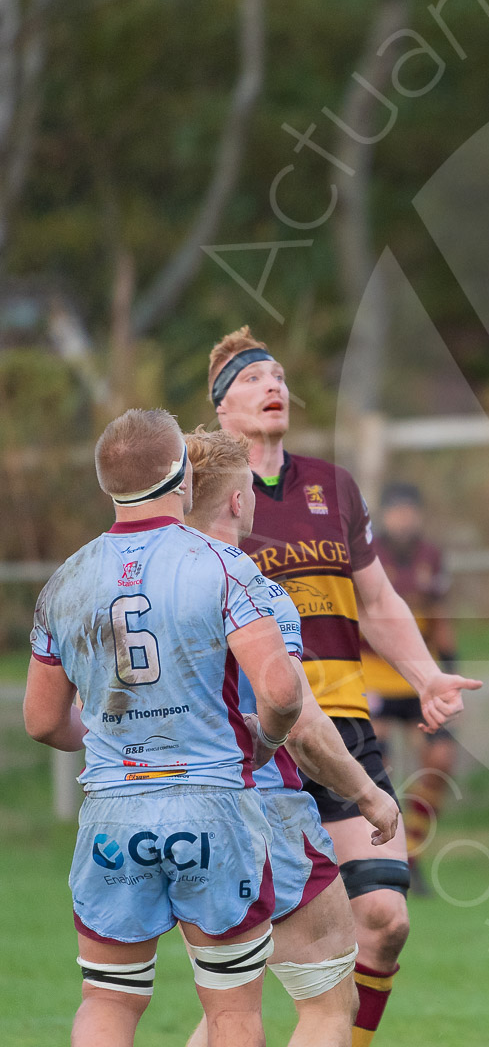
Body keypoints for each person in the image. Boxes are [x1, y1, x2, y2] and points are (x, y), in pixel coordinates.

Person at [207, 329, 482, 1045]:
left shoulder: (333, 485)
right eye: (254, 377)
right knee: (259, 970)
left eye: (279, 374)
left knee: (386, 923)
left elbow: (381, 601)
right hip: (258, 746)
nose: (274, 385)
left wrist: (426, 677)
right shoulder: (203, 496)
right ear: (220, 406)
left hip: (344, 734)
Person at [23, 409, 302, 1047]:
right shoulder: (226, 567)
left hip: (114, 813)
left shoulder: (64, 581)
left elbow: (40, 720)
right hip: (212, 808)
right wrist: (267, 741)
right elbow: (281, 691)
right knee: (231, 1011)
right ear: (181, 476)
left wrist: (105, 737)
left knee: (109, 1001)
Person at [182, 429, 401, 1047]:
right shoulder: (250, 586)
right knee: (329, 1005)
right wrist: (368, 793)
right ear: (235, 502)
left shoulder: (139, 582)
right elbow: (296, 718)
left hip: (162, 813)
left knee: (224, 1007)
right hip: (254, 808)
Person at [360, 482, 459, 891]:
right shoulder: (368, 555)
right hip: (373, 674)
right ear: (384, 516)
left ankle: (413, 850)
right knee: (378, 765)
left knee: (440, 759)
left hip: (419, 675)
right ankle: (384, 854)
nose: (403, 519)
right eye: (396, 511)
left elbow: (439, 616)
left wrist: (451, 667)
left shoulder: (431, 557)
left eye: (409, 510)